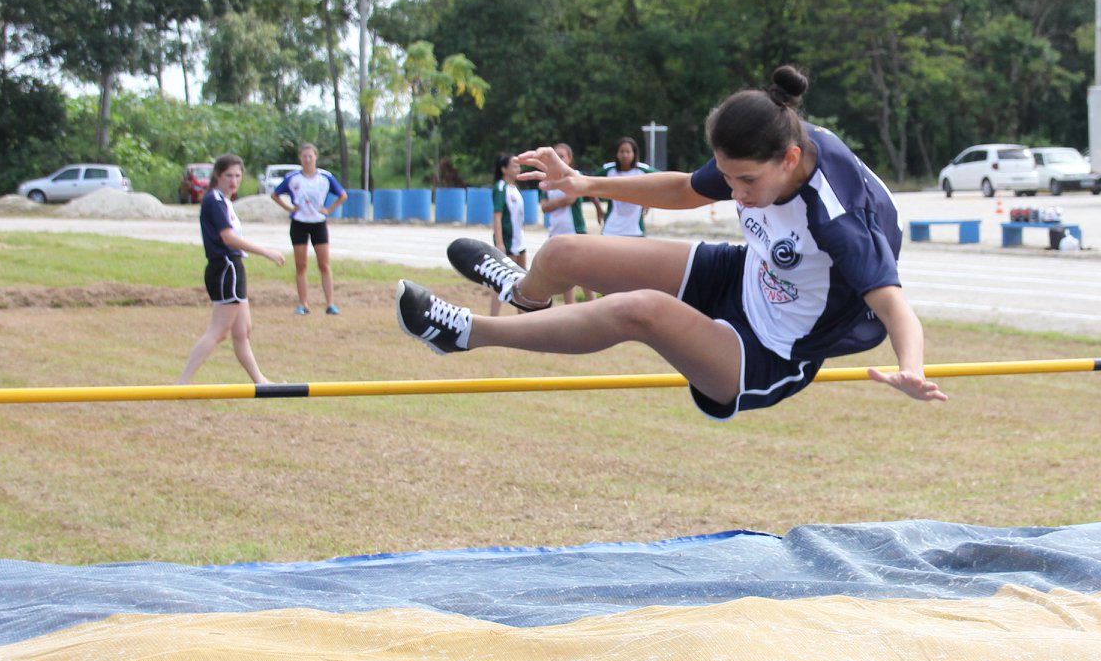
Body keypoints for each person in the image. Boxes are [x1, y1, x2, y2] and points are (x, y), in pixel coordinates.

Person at [396, 65, 945, 418]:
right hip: (742, 276)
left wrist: (912, 368)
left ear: (792, 160)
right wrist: (586, 183)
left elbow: (896, 307)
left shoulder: (837, 219)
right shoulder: (767, 140)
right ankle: (524, 292)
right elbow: (686, 189)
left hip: (768, 354)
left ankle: (467, 334)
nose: (735, 194)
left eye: (746, 182)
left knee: (640, 311)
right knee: (563, 253)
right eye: (729, 179)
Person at [179, 154, 285, 384]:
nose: (234, 181)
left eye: (238, 176)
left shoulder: (223, 201)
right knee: (219, 331)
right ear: (218, 175)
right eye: (229, 175)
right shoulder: (214, 201)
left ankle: (260, 380)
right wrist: (266, 252)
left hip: (231, 267)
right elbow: (228, 238)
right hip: (226, 266)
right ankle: (182, 383)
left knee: (242, 331)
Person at [270, 142, 347, 315]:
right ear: (300, 158)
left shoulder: (325, 177)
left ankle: (330, 303)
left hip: (318, 223)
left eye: (310, 156)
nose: (307, 159)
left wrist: (329, 210)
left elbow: (342, 195)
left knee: (324, 264)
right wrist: (290, 208)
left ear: (315, 157)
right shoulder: (293, 178)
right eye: (304, 156)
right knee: (301, 265)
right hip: (299, 223)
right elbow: (275, 194)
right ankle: (303, 303)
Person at [539, 142, 602, 305]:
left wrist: (599, 209)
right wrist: (563, 201)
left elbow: (578, 194)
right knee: (565, 276)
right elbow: (545, 207)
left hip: (576, 231)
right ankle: (570, 308)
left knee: (585, 273)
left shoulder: (575, 176)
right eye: (555, 156)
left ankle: (592, 306)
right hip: (556, 233)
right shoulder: (546, 180)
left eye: (562, 156)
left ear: (570, 159)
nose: (558, 159)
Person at [488, 152, 528, 317]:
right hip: (507, 241)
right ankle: (493, 319)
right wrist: (499, 242)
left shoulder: (514, 189)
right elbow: (497, 216)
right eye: (514, 165)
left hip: (520, 241)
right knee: (501, 281)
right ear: (504, 169)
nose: (518, 168)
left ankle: (524, 318)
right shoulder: (500, 188)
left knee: (523, 283)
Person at [600, 136, 658, 236]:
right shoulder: (609, 170)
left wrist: (650, 202)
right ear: (616, 153)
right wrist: (598, 208)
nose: (625, 155)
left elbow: (662, 181)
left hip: (635, 230)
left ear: (634, 153)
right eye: (622, 152)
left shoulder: (642, 170)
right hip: (611, 229)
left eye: (628, 152)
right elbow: (587, 183)